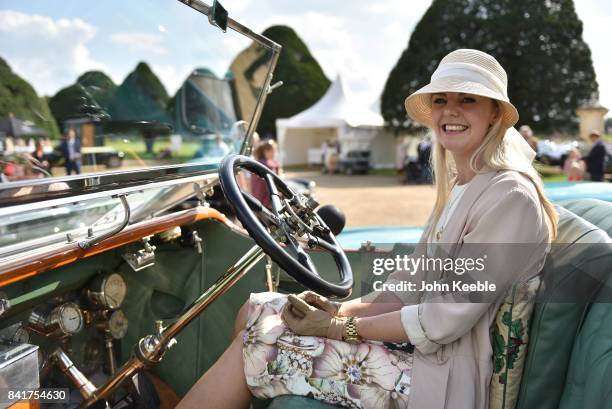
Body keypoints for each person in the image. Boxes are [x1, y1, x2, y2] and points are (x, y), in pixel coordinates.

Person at [177, 49, 558, 409]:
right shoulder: (463, 188)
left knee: (257, 340)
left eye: (468, 100)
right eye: (441, 100)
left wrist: (337, 328)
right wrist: (337, 308)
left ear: (495, 114)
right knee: (258, 307)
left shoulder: (510, 196)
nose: (450, 111)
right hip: (423, 355)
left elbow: (442, 319)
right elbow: (406, 288)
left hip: (442, 379)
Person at [250, 139, 282, 208]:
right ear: (267, 151)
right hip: (267, 203)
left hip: (257, 201)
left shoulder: (258, 163)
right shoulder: (269, 165)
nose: (275, 153)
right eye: (274, 151)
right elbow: (277, 183)